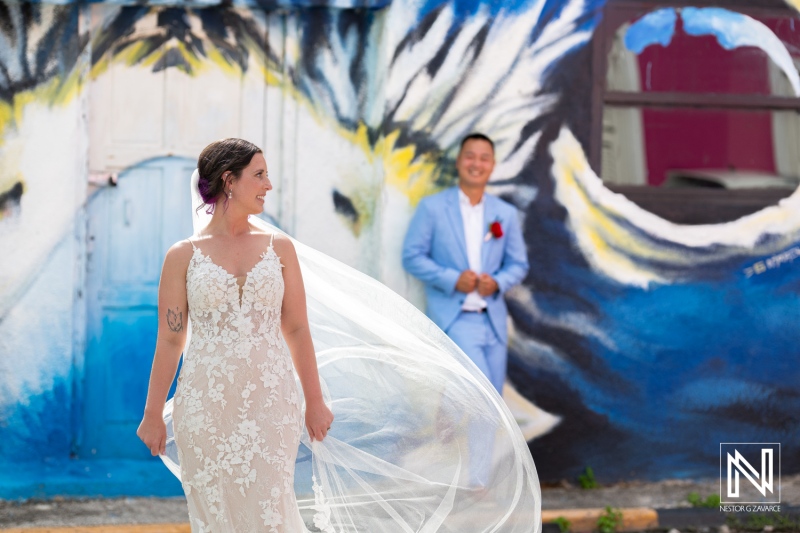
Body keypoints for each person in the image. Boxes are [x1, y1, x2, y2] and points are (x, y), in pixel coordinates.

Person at [137, 138, 541, 532]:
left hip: (271, 403)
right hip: (204, 407)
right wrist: (153, 412)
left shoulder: (278, 249)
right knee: (215, 513)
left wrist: (314, 401)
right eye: (259, 175)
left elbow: (295, 328)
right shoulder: (182, 256)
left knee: (270, 511)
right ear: (229, 180)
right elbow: (171, 340)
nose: (268, 185)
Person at [402, 133, 529, 395]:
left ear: (492, 165)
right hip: (455, 318)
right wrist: (452, 278)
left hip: (494, 322)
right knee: (482, 401)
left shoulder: (505, 214)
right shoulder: (433, 207)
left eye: (484, 158)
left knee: (495, 407)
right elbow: (412, 256)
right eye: (470, 156)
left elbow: (518, 264)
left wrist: (497, 283)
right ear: (459, 161)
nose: (476, 164)